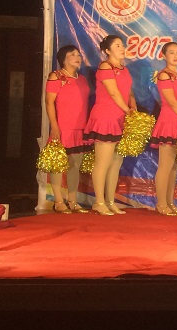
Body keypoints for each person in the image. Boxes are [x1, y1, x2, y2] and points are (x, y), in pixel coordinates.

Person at [83, 34, 136, 216]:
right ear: (107, 50)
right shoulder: (105, 67)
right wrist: (127, 109)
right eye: (117, 45)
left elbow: (128, 92)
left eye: (122, 45)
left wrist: (132, 108)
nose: (122, 48)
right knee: (103, 162)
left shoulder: (124, 69)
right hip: (106, 117)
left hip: (120, 118)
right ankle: (99, 202)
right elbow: (113, 93)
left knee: (115, 163)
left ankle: (110, 201)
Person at [44, 44, 91, 213]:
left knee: (74, 166)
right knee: (58, 166)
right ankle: (58, 201)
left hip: (80, 128)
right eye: (72, 54)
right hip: (63, 128)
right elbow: (49, 102)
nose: (77, 57)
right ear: (63, 59)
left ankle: (72, 200)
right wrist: (54, 126)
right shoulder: (56, 76)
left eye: (78, 54)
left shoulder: (82, 79)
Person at [150, 42, 177, 216]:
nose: (175, 56)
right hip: (169, 121)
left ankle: (170, 202)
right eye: (171, 52)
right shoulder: (164, 76)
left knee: (174, 167)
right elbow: (172, 102)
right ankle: (161, 204)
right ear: (164, 56)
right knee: (165, 165)